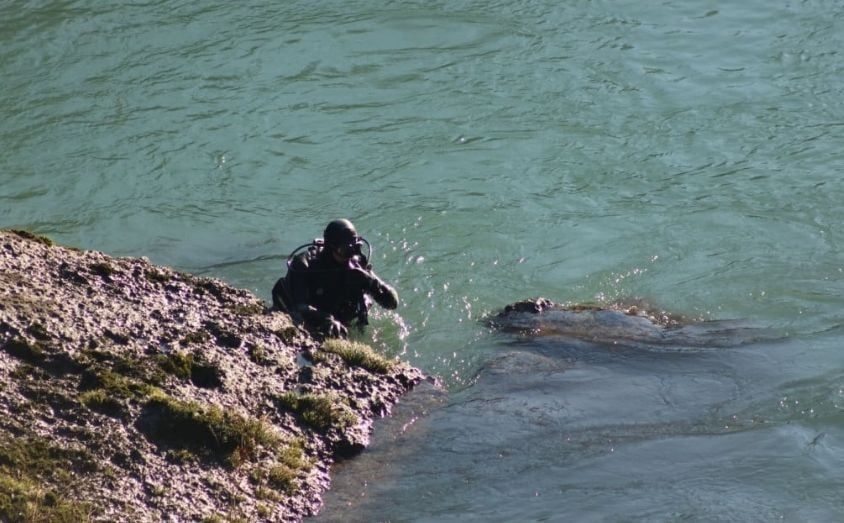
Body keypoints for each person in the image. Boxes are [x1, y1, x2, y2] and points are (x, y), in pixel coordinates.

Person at [272, 219, 399, 338]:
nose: (350, 256)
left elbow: (392, 304)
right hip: (313, 315)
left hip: (340, 315)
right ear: (331, 247)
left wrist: (371, 282)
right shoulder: (305, 264)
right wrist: (327, 320)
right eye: (345, 251)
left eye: (355, 249)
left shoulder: (356, 265)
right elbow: (299, 306)